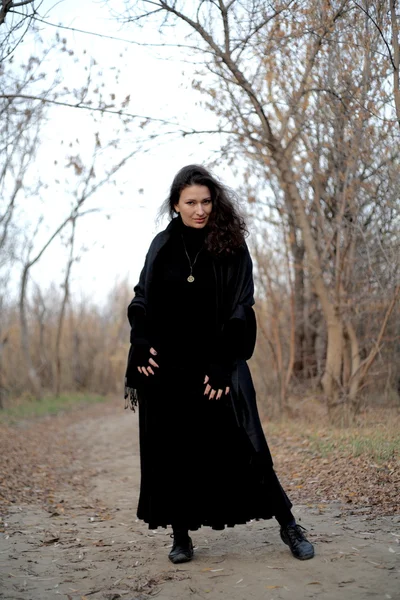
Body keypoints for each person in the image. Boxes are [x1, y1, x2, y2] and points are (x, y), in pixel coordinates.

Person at [124, 165, 314, 563]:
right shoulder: (162, 245)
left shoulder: (231, 244)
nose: (200, 210)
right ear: (175, 204)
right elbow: (143, 297)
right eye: (190, 202)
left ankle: (289, 525)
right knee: (173, 451)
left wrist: (223, 363)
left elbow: (242, 308)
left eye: (206, 201)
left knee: (249, 443)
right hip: (169, 368)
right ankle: (181, 537)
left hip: (219, 362)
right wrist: (139, 339)